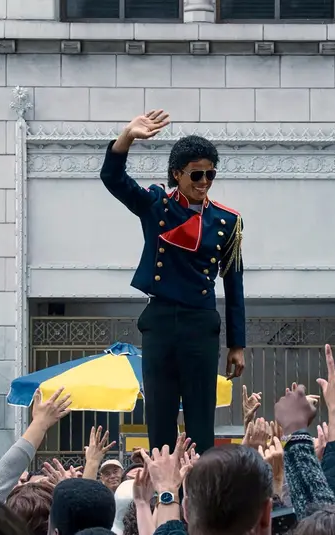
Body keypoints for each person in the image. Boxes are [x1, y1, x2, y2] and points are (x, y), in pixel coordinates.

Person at [100, 110, 246, 455]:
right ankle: (163, 492)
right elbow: (113, 178)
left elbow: (234, 283)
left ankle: (201, 492)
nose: (205, 181)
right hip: (161, 320)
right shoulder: (155, 204)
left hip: (201, 324)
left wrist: (237, 344)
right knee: (160, 418)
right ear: (177, 174)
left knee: (201, 421)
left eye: (211, 173)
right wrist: (127, 137)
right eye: (197, 174)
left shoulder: (228, 221)